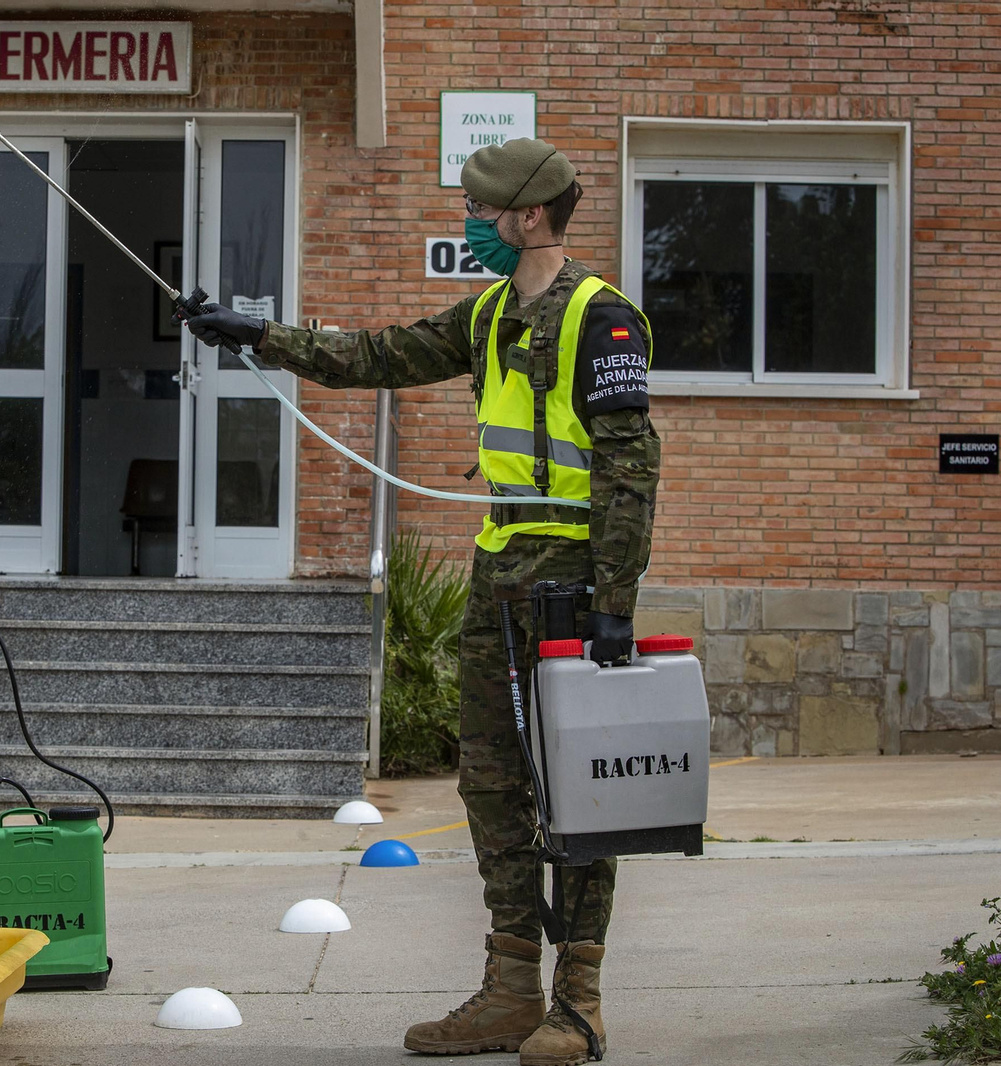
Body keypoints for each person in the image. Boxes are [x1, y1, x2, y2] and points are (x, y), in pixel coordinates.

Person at [184, 138, 660, 1066]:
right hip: (498, 574)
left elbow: (630, 470)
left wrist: (614, 603)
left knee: (579, 800)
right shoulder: (487, 313)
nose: (472, 226)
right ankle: (511, 988)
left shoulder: (602, 320)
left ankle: (581, 1002)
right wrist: (258, 335)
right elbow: (378, 354)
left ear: (529, 217)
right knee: (490, 785)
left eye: (482, 213)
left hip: (570, 579)